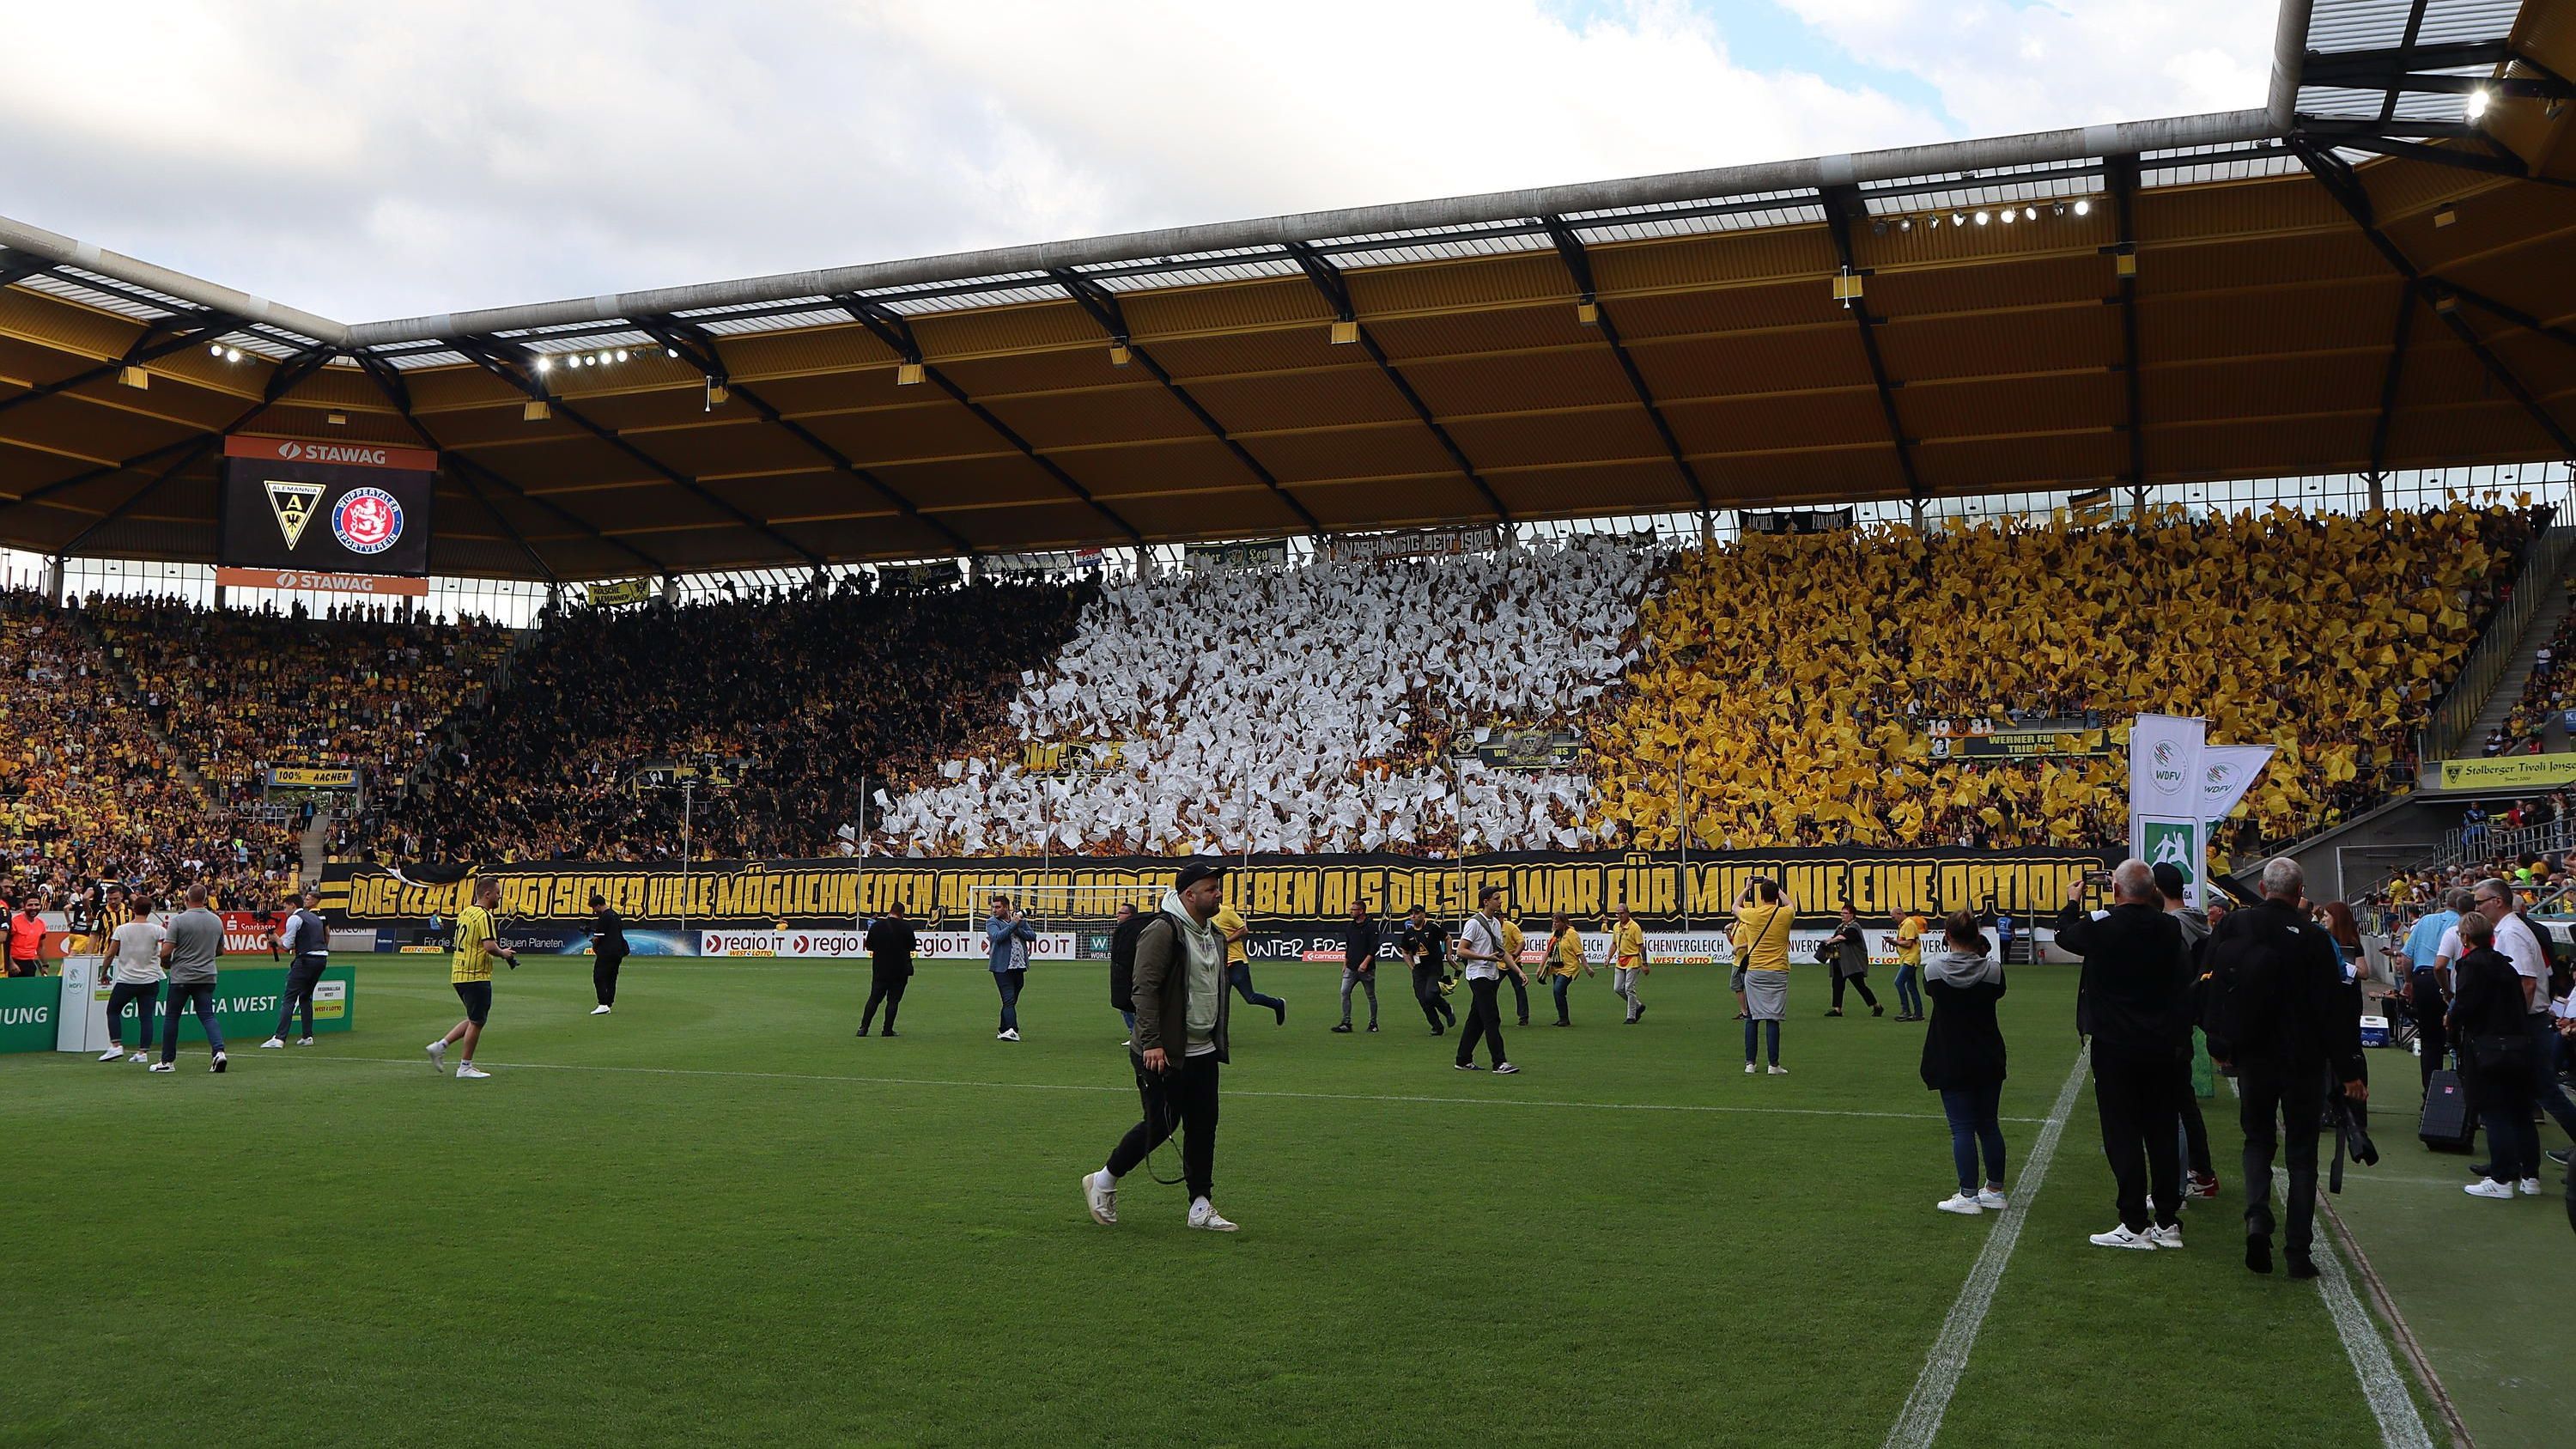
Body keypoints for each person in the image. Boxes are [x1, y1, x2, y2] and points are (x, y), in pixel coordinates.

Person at [2205, 858, 2366, 1278]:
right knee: (2301, 1155)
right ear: (2300, 892)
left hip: (2255, 1053)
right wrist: (2349, 1068)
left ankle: (2258, 1216)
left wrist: (2219, 1041)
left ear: (2261, 886)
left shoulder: (2236, 926)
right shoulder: (2313, 938)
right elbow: (2334, 1009)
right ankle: (2298, 1251)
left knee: (2257, 1141)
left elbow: (2211, 983)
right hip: (2304, 1058)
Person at [1083, 861, 1241, 1233]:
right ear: (1189, 894)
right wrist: (1152, 1042)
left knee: (1204, 1126)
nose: (1218, 893)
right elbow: (1144, 989)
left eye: (1218, 888)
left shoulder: (1213, 934)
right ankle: (1103, 1180)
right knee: (1162, 1124)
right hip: (1163, 1050)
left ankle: (1200, 1206)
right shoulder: (1163, 930)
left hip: (1202, 1049)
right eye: (1210, 889)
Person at [2055, 860, 2190, 1252]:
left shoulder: (2104, 925)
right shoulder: (2168, 927)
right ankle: (2167, 1220)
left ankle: (2134, 1221)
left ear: (2116, 891)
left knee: (2122, 1132)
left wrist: (2072, 902)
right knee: (2162, 1130)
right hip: (2162, 1043)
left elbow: (2065, 936)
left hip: (2117, 1044)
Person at [1922, 910, 2009, 1215]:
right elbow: (1997, 991)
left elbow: (1931, 991)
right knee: (1988, 1125)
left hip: (1950, 1055)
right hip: (1987, 1053)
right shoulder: (1994, 971)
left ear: (1947, 936)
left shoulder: (1933, 970)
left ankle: (1969, 1195)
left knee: (1961, 1128)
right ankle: (1995, 1189)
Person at [2451, 910, 2543, 1199]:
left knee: (2495, 1112)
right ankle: (2530, 1176)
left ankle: (2501, 1179)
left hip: (2487, 1046)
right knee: (2520, 1112)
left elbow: (2465, 1006)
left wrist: (2452, 1020)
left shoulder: (2471, 966)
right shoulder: (2506, 966)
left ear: (2466, 937)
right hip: (2518, 1044)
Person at [2151, 862, 2222, 1202]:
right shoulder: (2195, 920)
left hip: (2173, 1019)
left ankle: (2189, 1177)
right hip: (2185, 1017)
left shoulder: (2174, 927)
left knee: (2175, 1106)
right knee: (2183, 1101)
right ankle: (2200, 1172)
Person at [428, 877, 518, 1080]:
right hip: (475, 974)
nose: (499, 896)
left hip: (459, 973)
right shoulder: (484, 915)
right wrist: (503, 953)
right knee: (478, 1021)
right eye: (497, 893)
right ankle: (465, 1067)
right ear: (487, 894)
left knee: (474, 1018)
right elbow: (489, 946)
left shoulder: (465, 912)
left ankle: (440, 1046)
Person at [154, 885, 228, 1075]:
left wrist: (166, 963)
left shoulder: (179, 921)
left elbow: (167, 951)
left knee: (172, 1017)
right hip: (207, 975)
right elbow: (220, 950)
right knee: (208, 1016)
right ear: (205, 899)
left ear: (186, 898)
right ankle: (219, 1052)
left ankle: (167, 1061)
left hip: (182, 976)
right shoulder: (216, 920)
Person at [2402, 888, 2468, 1093]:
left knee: (2430, 1041)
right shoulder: (2463, 925)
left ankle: (2430, 1092)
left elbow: (2407, 956)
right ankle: (2461, 1092)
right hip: (2450, 980)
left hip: (2423, 980)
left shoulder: (2425, 921)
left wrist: (2408, 982)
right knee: (2460, 1038)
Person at [1452, 886, 1517, 1074]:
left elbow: (1502, 952)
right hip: (1478, 974)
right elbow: (1461, 950)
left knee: (1477, 1019)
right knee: (1491, 1018)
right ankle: (1499, 1062)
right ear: (1486, 901)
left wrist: (1517, 971)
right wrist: (1486, 957)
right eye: (1497, 898)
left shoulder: (1496, 923)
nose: (1500, 902)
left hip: (1490, 975)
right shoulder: (1474, 923)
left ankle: (1463, 1059)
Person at [1735, 878, 1795, 1075]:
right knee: (1773, 1018)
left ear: (1761, 897)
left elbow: (1735, 906)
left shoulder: (1753, 915)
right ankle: (1773, 1064)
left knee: (1751, 1017)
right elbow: (1790, 904)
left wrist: (1746, 889)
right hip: (1778, 970)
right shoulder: (1785, 914)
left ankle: (1750, 1063)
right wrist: (1777, 888)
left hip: (1755, 971)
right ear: (1776, 896)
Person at [260, 887, 330, 1049]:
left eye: (285, 907)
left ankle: (279, 1038)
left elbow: (286, 945)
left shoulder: (294, 918)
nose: (284, 911)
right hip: (321, 959)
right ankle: (307, 1036)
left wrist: (276, 939)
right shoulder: (313, 918)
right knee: (305, 997)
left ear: (292, 905)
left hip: (306, 959)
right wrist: (277, 939)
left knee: (289, 998)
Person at [99, 895, 166, 1064]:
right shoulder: (158, 930)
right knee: (146, 1017)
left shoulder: (122, 929)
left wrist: (104, 972)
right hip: (150, 979)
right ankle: (143, 1052)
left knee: (113, 1010)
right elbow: (169, 948)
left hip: (128, 979)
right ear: (149, 911)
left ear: (133, 910)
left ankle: (116, 1045)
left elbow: (110, 953)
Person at [1212, 895, 1286, 1026]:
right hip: (1219, 964)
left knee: (1250, 997)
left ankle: (1277, 1004)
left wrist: (1225, 941)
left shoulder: (1226, 912)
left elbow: (1243, 929)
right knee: (1221, 1003)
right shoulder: (1204, 917)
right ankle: (1219, 1035)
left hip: (1235, 962)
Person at [860, 904, 917, 1038]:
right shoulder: (906, 927)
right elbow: (912, 946)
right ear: (902, 913)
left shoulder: (877, 926)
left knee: (874, 999)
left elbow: (869, 946)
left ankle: (863, 1028)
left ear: (890, 911)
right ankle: (887, 1030)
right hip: (900, 970)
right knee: (893, 1001)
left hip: (880, 969)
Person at [986, 894, 1036, 1042]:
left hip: (1019, 966)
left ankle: (1002, 1029)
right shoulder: (992, 922)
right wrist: (1014, 924)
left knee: (1011, 1000)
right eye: (993, 907)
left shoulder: (1020, 921)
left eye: (998, 907)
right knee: (1008, 999)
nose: (994, 910)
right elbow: (997, 937)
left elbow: (1032, 936)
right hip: (1002, 967)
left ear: (1006, 907)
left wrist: (1017, 927)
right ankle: (1012, 1030)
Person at [1399, 904, 1455, 1034]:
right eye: (1411, 914)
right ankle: (1437, 1026)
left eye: (1416, 913)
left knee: (1430, 995)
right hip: (1419, 970)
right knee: (1422, 999)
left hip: (1434, 968)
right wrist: (1412, 967)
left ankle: (1447, 1009)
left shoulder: (1433, 928)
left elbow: (1448, 938)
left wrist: (1449, 955)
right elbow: (1405, 951)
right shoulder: (1408, 933)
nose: (1413, 916)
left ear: (1423, 914)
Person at [1826, 904, 1883, 1018]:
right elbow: (1837, 937)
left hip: (1853, 964)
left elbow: (1843, 937)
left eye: (1845, 913)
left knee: (1860, 986)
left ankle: (1877, 1006)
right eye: (1841, 913)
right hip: (1840, 961)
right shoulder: (1840, 927)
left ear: (1852, 915)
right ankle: (1837, 1009)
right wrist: (1828, 941)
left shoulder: (1855, 927)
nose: (1842, 915)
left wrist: (1831, 940)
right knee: (1837, 985)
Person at [1335, 903, 1380, 1034]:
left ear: (1361, 911)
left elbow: (1374, 947)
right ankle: (1346, 1022)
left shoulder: (1371, 927)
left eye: (1354, 910)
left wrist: (1365, 963)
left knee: (1370, 995)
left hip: (1367, 969)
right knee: (1344, 992)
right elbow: (1348, 946)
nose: (1351, 912)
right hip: (1351, 967)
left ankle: (1373, 1023)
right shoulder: (1350, 926)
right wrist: (1345, 963)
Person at [1541, 911, 1592, 1026]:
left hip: (1569, 968)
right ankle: (1563, 1018)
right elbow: (1549, 951)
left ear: (1564, 922)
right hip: (1556, 968)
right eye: (1553, 921)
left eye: (1557, 922)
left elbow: (1579, 952)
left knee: (1558, 990)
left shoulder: (1572, 934)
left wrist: (1587, 967)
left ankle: (1564, 1019)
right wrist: (1542, 968)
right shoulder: (1554, 934)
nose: (1554, 924)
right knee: (1558, 992)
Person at [1109, 901, 1146, 1044]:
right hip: (1124, 973)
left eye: (1121, 913)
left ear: (1130, 915)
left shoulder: (1134, 931)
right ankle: (1137, 1032)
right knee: (1127, 1003)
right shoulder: (1124, 929)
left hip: (1132, 972)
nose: (1118, 916)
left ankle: (1137, 1034)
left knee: (1129, 1002)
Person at [589, 892, 629, 1015]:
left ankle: (603, 1003)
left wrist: (594, 943)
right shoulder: (615, 915)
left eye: (594, 908)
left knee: (599, 977)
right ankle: (608, 1003)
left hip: (607, 952)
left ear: (598, 905)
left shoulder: (604, 917)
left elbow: (598, 938)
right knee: (612, 978)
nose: (594, 911)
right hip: (618, 951)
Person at [1610, 904, 1648, 1025]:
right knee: (1617, 988)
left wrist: (1645, 963)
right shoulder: (1616, 926)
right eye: (1617, 914)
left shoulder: (1634, 927)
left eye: (1621, 913)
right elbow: (1614, 944)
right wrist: (1608, 957)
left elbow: (1641, 946)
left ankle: (1631, 1016)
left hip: (1633, 959)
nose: (1619, 916)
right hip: (1621, 960)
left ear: (1627, 913)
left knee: (1629, 988)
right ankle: (1638, 1005)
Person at [1891, 904, 1929, 1021]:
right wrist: (1894, 942)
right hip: (1906, 958)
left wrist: (1894, 942)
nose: (1893, 919)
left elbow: (1909, 943)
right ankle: (1918, 1013)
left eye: (1893, 917)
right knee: (1911, 986)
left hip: (1910, 959)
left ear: (1900, 913)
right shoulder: (1903, 925)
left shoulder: (1909, 924)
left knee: (1899, 982)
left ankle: (1906, 1010)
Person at [1501, 911, 1533, 1026]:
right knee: (1490, 990)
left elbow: (1521, 943)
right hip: (1497, 963)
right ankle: (1490, 1015)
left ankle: (1523, 1017)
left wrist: (1514, 956)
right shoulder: (1490, 927)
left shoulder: (1510, 927)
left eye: (1498, 917)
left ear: (1502, 917)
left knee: (1520, 989)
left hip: (1513, 963)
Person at [8, 897, 45, 977]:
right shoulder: (15, 922)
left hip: (29, 964)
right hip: (13, 963)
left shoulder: (41, 924)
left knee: (28, 989)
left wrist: (45, 965)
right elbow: (5, 945)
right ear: (24, 906)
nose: (34, 907)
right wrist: (11, 963)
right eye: (30, 905)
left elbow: (40, 947)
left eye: (37, 905)